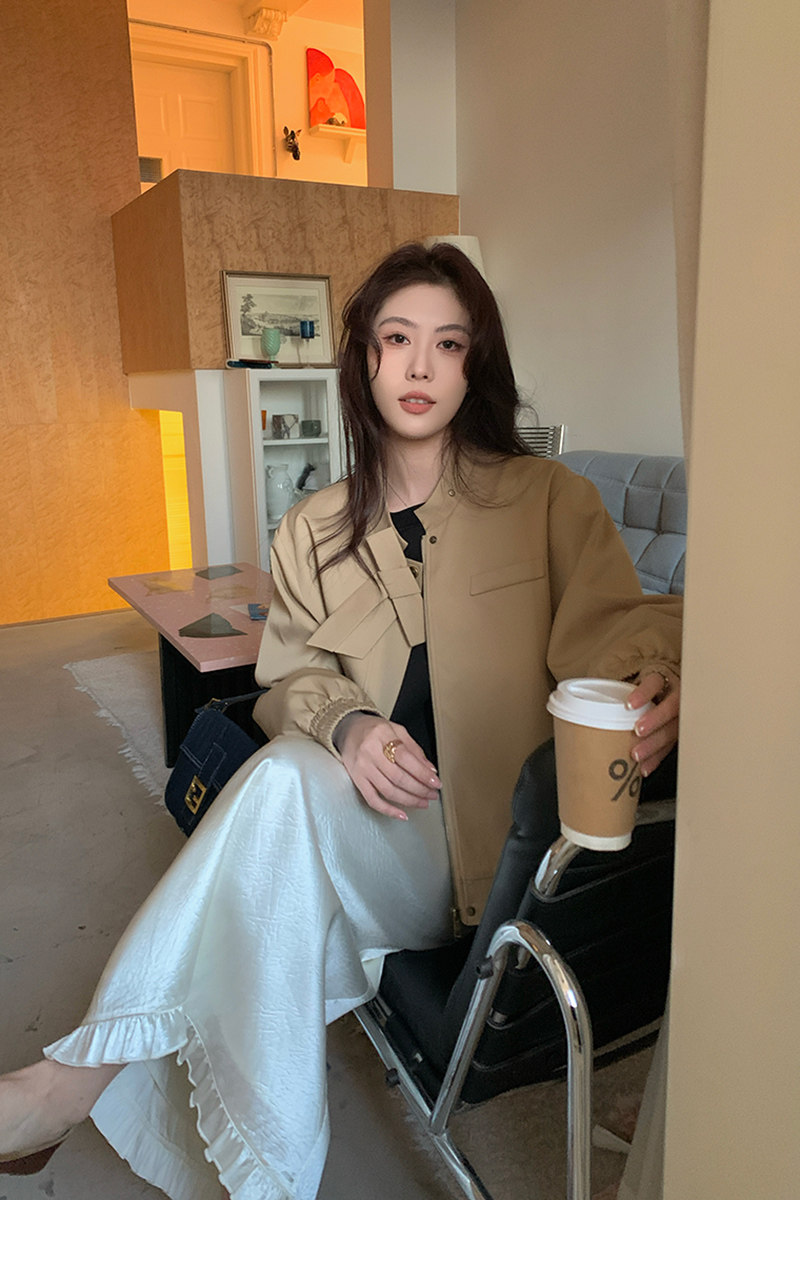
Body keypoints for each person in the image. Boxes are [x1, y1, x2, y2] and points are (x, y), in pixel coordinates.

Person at [0, 242, 682, 1199]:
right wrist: (350, 727)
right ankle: (255, 1183)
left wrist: (660, 676)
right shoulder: (312, 527)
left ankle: (65, 1087)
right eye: (397, 339)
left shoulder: (547, 499)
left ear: (474, 364)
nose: (419, 365)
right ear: (363, 359)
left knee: (269, 849)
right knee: (284, 793)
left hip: (488, 852)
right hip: (379, 832)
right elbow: (288, 677)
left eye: (448, 344)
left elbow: (619, 628)